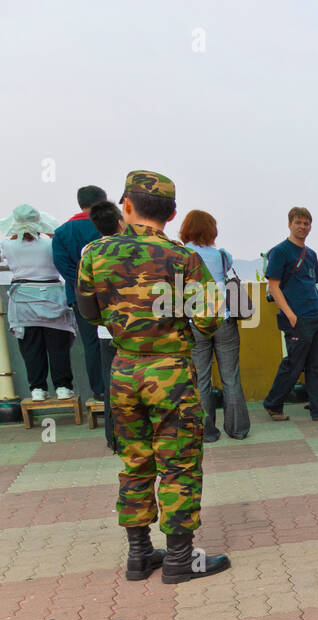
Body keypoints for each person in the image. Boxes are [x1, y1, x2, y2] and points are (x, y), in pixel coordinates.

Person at [76, 169, 231, 584]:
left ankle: (140, 555)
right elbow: (210, 322)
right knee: (179, 464)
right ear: (173, 211)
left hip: (123, 372)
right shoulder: (184, 258)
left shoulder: (94, 253)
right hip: (172, 374)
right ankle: (179, 558)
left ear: (125, 205)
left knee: (135, 461)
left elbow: (89, 315)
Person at [262, 207, 318, 422]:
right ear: (290, 224)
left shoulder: (311, 254)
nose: (302, 227)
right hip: (298, 318)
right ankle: (273, 404)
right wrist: (290, 314)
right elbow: (274, 287)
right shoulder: (279, 252)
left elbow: (313, 284)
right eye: (298, 222)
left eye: (306, 223)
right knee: (294, 365)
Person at [180, 210, 250, 441]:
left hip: (195, 321)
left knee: (201, 379)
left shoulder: (182, 255)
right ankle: (238, 429)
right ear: (212, 230)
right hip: (224, 319)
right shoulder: (222, 255)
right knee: (231, 376)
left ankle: (206, 431)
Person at [1, 205, 78, 402]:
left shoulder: (7, 245)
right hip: (53, 297)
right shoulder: (50, 243)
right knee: (58, 346)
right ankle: (62, 387)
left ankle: (37, 389)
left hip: (23, 300)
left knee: (31, 348)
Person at [51, 185, 109, 399]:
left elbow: (62, 266)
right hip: (113, 294)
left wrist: (84, 284)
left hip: (81, 297)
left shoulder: (62, 232)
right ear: (103, 201)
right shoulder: (108, 227)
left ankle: (100, 391)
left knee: (91, 344)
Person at [87, 200, 123, 451]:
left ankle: (113, 437)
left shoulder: (88, 250)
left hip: (104, 329)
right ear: (120, 221)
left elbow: (86, 295)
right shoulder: (131, 246)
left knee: (111, 384)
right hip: (135, 328)